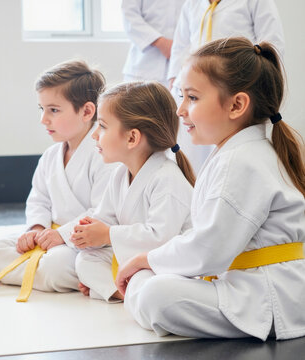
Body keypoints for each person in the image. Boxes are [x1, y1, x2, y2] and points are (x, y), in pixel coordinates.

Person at [117, 37, 305, 340]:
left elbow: (209, 249)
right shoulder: (240, 152)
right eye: (181, 96)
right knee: (153, 280)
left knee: (157, 295)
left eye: (192, 98)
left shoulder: (241, 160)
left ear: (236, 105)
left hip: (267, 299)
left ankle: (141, 287)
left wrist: (144, 260)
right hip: (260, 288)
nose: (180, 110)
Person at [0, 60, 115, 300]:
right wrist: (36, 229)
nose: (44, 119)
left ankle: (50, 275)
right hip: (49, 237)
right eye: (41, 109)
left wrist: (63, 235)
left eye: (53, 110)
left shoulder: (104, 155)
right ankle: (45, 275)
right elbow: (39, 200)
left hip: (84, 243)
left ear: (87, 112)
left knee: (56, 266)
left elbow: (102, 211)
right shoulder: (50, 156)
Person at [72, 82, 194, 302]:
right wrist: (87, 233)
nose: (94, 135)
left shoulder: (167, 178)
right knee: (85, 260)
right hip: (135, 258)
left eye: (102, 126)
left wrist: (108, 234)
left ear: (132, 138)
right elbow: (104, 218)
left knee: (148, 280)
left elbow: (161, 238)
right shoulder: (119, 175)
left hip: (169, 264)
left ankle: (119, 290)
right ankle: (121, 290)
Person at [168, 0, 285, 173]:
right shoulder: (191, 4)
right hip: (197, 87)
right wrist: (177, 82)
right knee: (196, 156)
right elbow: (180, 46)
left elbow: (272, 44)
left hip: (230, 86)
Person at [121, 0, 185, 86]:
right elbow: (129, 14)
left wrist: (178, 47)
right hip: (143, 65)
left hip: (183, 63)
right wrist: (159, 42)